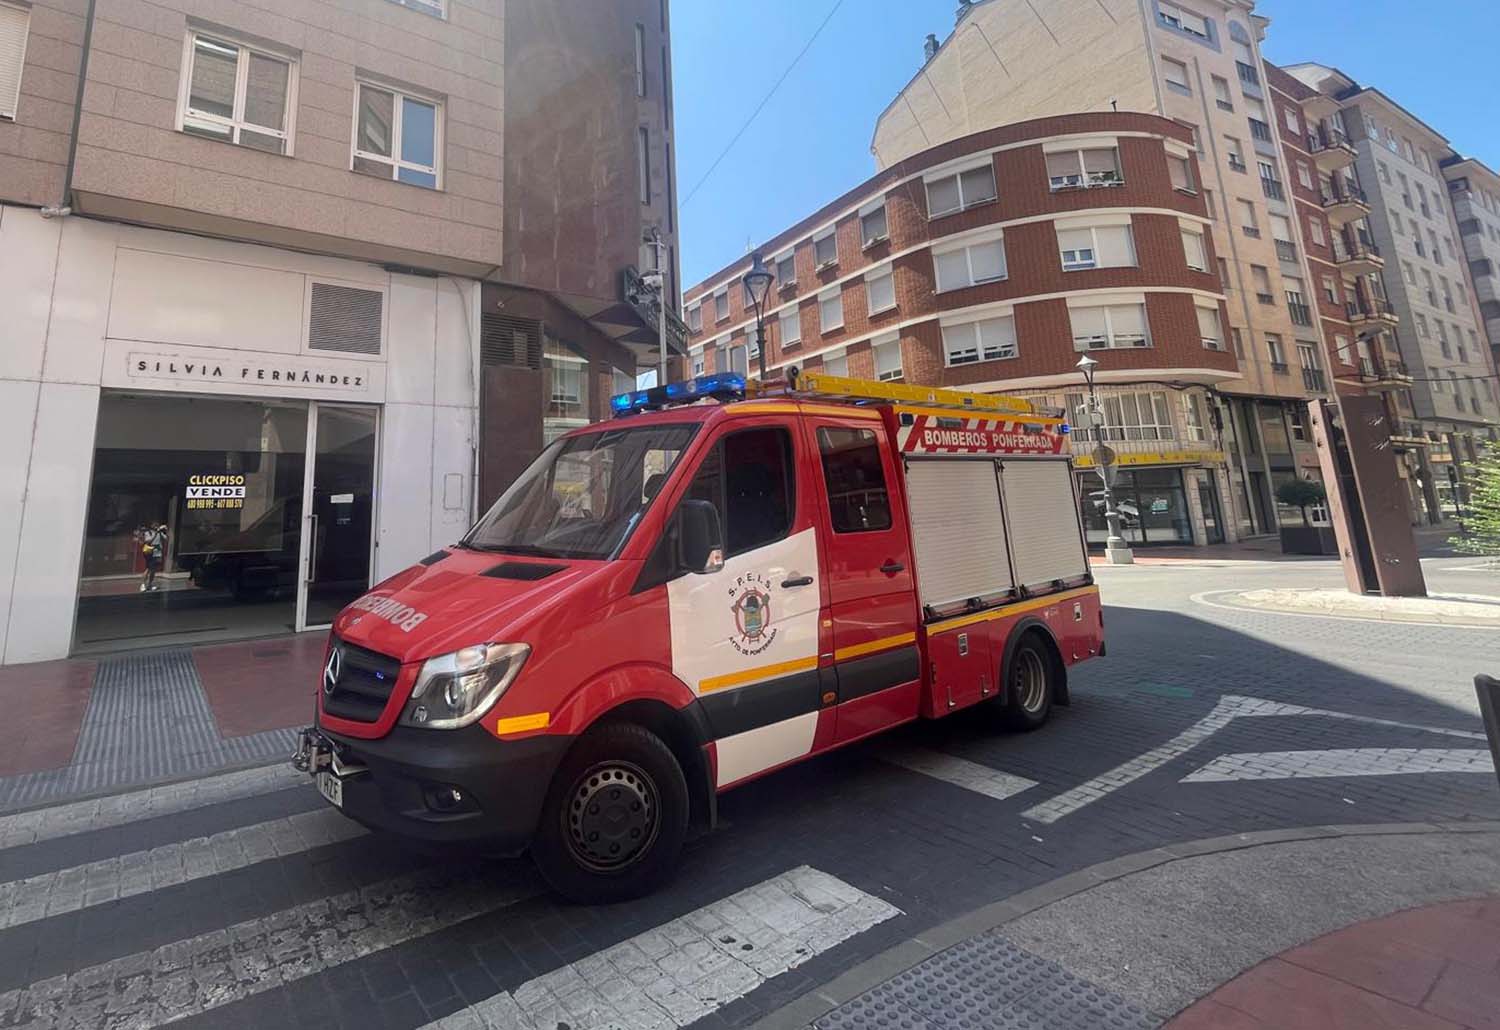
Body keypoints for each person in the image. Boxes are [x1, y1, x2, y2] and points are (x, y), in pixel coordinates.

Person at [140, 522, 167, 592]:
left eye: (157, 526)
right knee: (148, 568)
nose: (156, 527)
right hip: (150, 553)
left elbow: (166, 538)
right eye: (155, 526)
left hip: (158, 553)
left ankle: (150, 584)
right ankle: (143, 584)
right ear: (152, 526)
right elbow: (148, 541)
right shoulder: (148, 533)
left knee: (153, 570)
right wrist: (156, 533)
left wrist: (163, 531)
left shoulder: (159, 533)